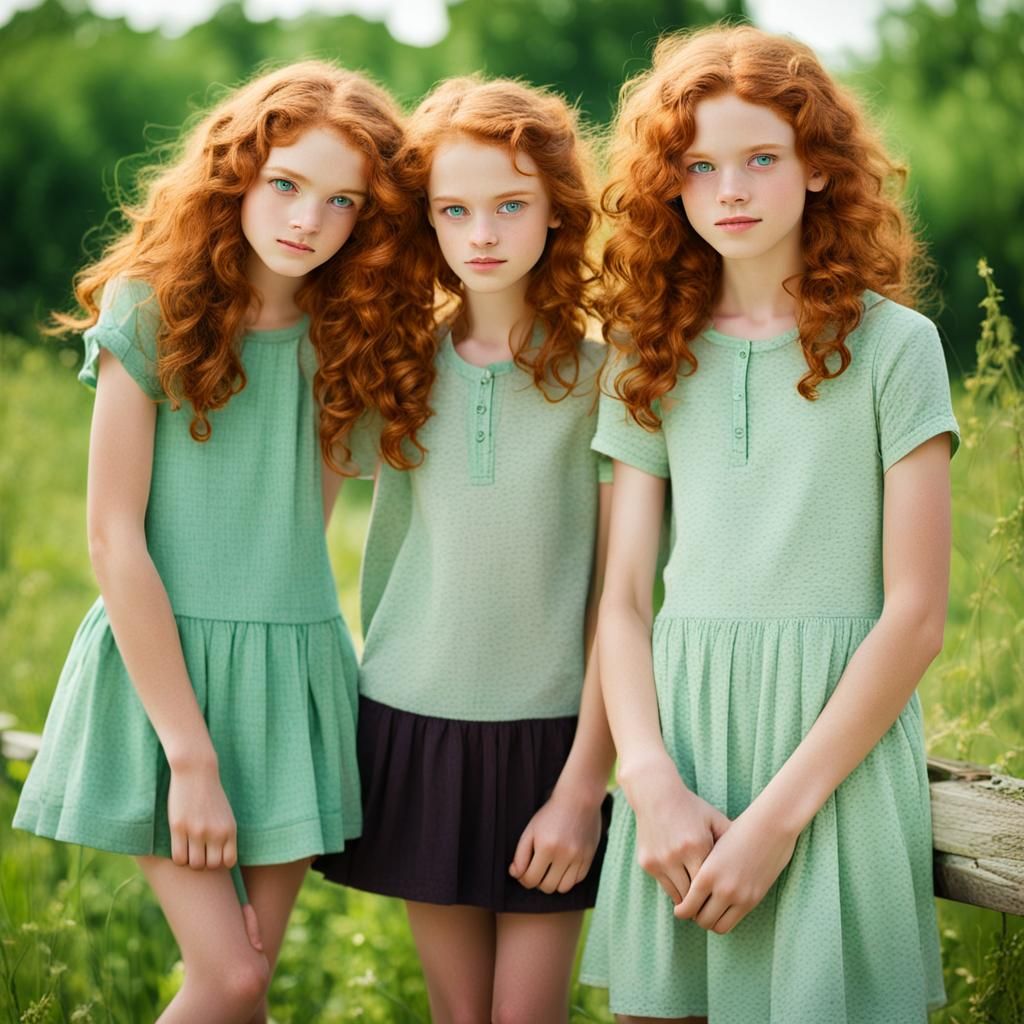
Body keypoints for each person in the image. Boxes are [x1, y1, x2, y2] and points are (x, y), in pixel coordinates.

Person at [13, 61, 434, 1024]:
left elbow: (309, 521)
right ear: (236, 174)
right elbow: (113, 538)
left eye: (342, 202)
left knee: (247, 986)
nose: (306, 220)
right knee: (230, 979)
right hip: (163, 676)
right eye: (286, 184)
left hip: (292, 674)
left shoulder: (346, 334)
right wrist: (189, 757)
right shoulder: (151, 308)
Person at [578, 25, 959, 1024]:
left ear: (820, 170)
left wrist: (777, 823)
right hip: (684, 755)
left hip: (832, 769)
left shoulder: (894, 346)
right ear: (668, 185)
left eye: (760, 159)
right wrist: (648, 776)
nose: (730, 190)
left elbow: (916, 614)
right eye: (698, 167)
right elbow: (620, 597)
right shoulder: (645, 353)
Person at [315, 77, 615, 1024]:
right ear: (426, 222)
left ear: (556, 212)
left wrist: (585, 784)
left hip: (557, 735)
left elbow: (621, 595)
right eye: (454, 209)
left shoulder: (609, 371)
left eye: (510, 205)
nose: (481, 232)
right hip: (413, 718)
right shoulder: (396, 360)